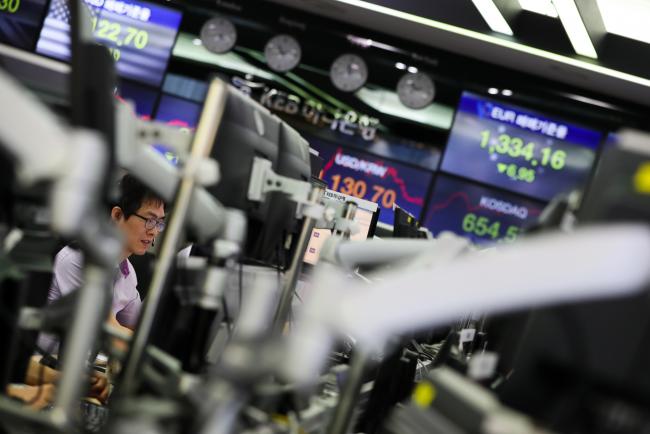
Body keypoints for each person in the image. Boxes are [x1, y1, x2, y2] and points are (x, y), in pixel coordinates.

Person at [39, 173, 166, 351]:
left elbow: (138, 327)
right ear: (117, 215)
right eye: (150, 220)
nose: (154, 232)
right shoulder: (78, 258)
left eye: (160, 223)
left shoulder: (127, 273)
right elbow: (108, 332)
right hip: (43, 366)